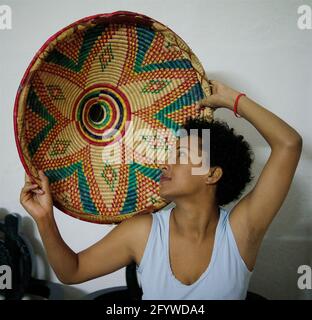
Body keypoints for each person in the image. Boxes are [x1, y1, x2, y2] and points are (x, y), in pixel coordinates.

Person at [20, 80, 302, 300]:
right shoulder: (142, 231)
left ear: (212, 174)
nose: (166, 162)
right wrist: (44, 219)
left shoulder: (241, 231)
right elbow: (71, 271)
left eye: (180, 153)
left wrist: (232, 100)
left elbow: (289, 144)